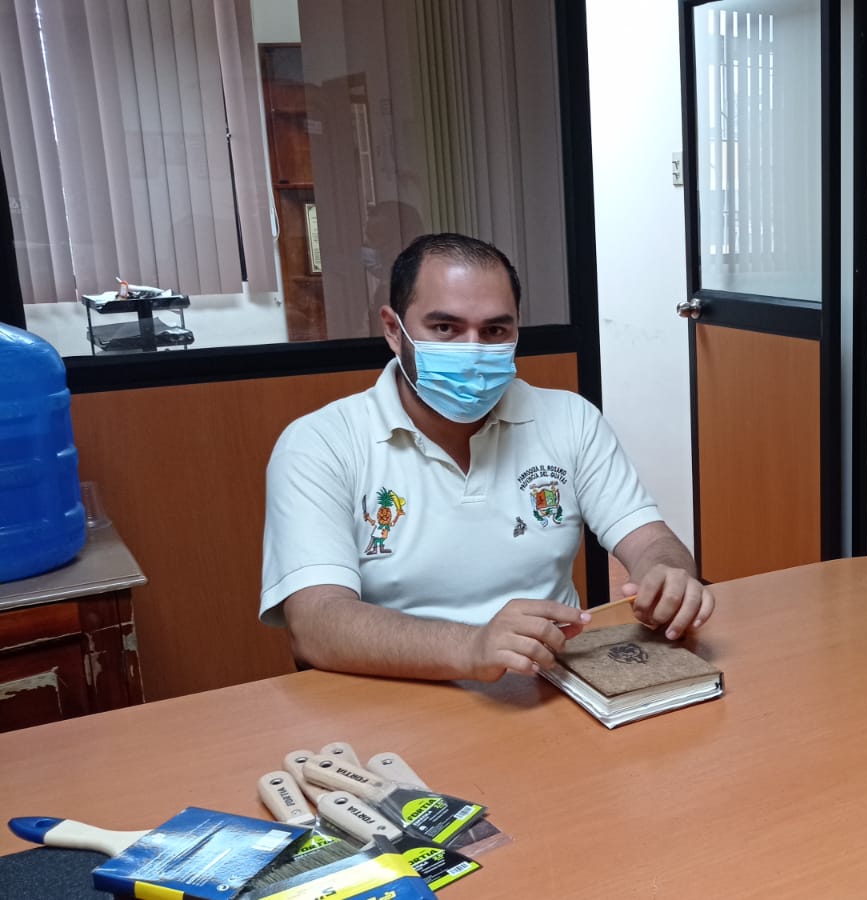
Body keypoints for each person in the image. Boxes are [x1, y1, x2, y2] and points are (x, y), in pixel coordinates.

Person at [261, 233, 713, 681]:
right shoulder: (320, 443)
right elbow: (315, 622)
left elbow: (651, 540)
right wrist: (471, 646)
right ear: (394, 331)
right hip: (395, 691)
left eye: (495, 330)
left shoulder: (570, 419)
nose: (473, 351)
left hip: (549, 681)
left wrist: (668, 574)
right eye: (445, 328)